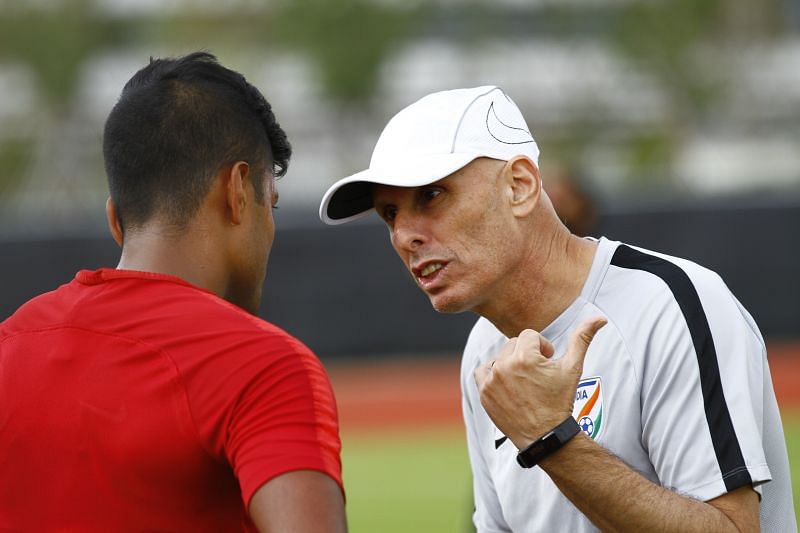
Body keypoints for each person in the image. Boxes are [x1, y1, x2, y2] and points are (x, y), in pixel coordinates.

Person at [318, 86, 795, 532]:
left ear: (520, 185)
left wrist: (550, 437)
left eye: (432, 195)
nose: (404, 236)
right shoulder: (484, 350)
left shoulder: (671, 304)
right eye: (390, 214)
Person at [0, 52, 346, 532]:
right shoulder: (264, 366)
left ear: (116, 219)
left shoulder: (9, 345)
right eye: (272, 204)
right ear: (238, 191)